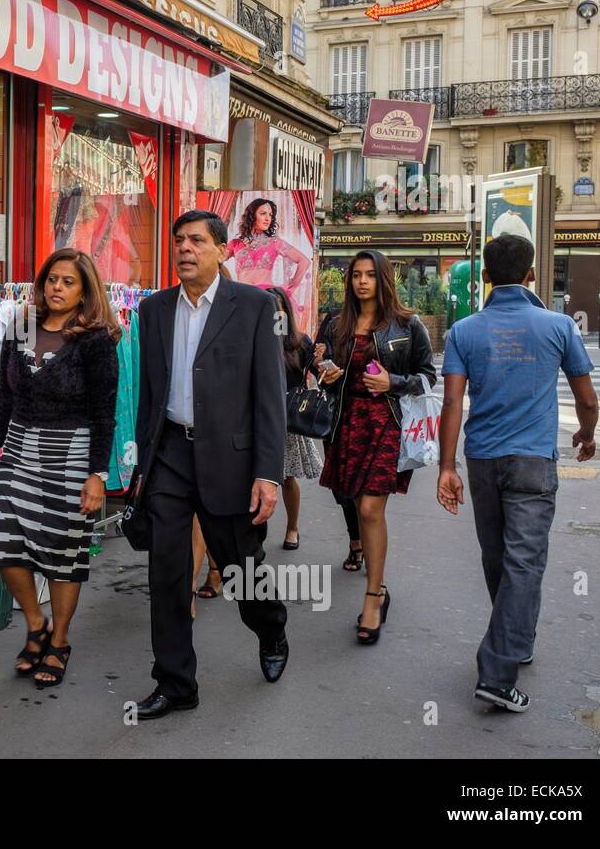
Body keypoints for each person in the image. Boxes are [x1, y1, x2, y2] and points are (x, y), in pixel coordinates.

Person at [124, 210, 288, 720]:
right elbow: (149, 396)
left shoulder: (255, 307)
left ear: (220, 249)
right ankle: (176, 683)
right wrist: (143, 464)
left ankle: (271, 625)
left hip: (230, 460)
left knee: (240, 570)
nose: (185, 249)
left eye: (196, 240)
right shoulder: (153, 311)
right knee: (167, 573)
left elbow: (269, 396)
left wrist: (268, 473)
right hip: (170, 455)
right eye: (178, 241)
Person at [437, 234, 599, 713]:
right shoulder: (558, 325)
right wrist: (587, 435)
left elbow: (451, 402)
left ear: (484, 277)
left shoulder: (464, 331)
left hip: (482, 458)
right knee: (523, 563)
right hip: (532, 460)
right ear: (532, 275)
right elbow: (587, 398)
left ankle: (514, 642)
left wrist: (447, 465)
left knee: (498, 557)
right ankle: (499, 674)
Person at [0, 248, 120, 688]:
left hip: (70, 454)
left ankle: (58, 641)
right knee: (2, 541)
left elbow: (104, 413)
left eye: (68, 282)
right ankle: (35, 623)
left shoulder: (96, 341)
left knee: (63, 554)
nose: (56, 289)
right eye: (51, 280)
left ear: (85, 291)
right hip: (19, 447)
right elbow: (5, 394)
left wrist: (97, 474)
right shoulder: (21, 326)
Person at [316, 250, 436, 645]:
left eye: (369, 275)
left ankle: (375, 594)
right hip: (347, 422)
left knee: (370, 507)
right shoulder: (335, 322)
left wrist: (393, 382)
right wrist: (326, 370)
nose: (361, 282)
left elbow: (426, 378)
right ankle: (375, 585)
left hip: (386, 422)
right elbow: (320, 367)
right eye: (355, 275)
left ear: (383, 279)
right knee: (353, 503)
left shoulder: (407, 324)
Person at [269, 286, 322, 550]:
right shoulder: (255, 339)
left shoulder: (300, 342)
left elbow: (321, 371)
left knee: (288, 477)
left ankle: (292, 527)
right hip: (259, 417)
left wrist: (326, 363)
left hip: (289, 418)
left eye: (275, 306)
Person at [225, 198, 311, 327]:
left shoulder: (274, 242)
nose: (268, 218)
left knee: (268, 337)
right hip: (242, 297)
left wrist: (290, 289)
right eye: (263, 213)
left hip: (266, 298)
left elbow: (304, 261)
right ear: (252, 215)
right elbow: (214, 261)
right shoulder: (235, 244)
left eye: (270, 215)